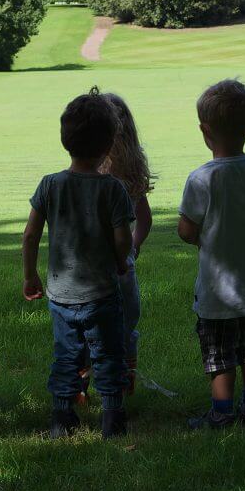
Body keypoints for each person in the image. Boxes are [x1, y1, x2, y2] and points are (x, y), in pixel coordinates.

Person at [22, 88, 134, 439]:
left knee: (66, 355)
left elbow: (30, 236)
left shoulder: (49, 185)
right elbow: (122, 238)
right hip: (102, 293)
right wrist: (121, 262)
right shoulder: (113, 189)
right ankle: (112, 420)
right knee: (108, 354)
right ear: (109, 144)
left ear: (65, 139)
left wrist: (30, 275)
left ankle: (62, 418)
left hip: (60, 295)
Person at [178, 79, 245, 429]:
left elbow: (186, 230)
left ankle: (221, 412)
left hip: (216, 291)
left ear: (204, 131)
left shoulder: (201, 178)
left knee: (220, 354)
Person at [76, 92, 155, 403]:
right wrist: (132, 247)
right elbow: (144, 220)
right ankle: (121, 381)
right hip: (122, 268)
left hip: (93, 269)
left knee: (85, 324)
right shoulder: (129, 172)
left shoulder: (90, 173)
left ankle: (82, 386)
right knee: (124, 325)